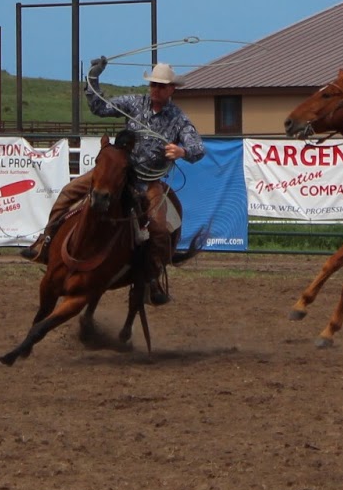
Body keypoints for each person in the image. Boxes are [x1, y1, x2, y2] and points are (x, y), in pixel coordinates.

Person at [21, 58, 205, 305]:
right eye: (153, 85)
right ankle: (44, 243)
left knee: (159, 227)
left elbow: (197, 148)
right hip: (118, 172)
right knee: (68, 192)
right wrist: (93, 78)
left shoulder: (178, 119)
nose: (156, 90)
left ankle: (151, 276)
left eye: (162, 86)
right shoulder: (134, 103)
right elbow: (99, 106)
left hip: (148, 181)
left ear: (172, 89)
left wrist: (183, 152)